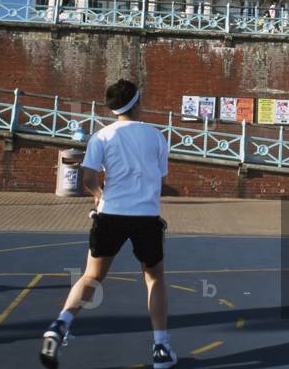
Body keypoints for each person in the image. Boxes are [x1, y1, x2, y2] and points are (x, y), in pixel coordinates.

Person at [39, 80, 176, 369]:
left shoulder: (101, 137)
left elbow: (87, 179)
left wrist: (100, 196)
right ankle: (161, 347)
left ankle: (60, 324)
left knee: (91, 277)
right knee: (154, 279)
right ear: (137, 103)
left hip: (110, 214)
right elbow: (161, 180)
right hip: (146, 218)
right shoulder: (156, 136)